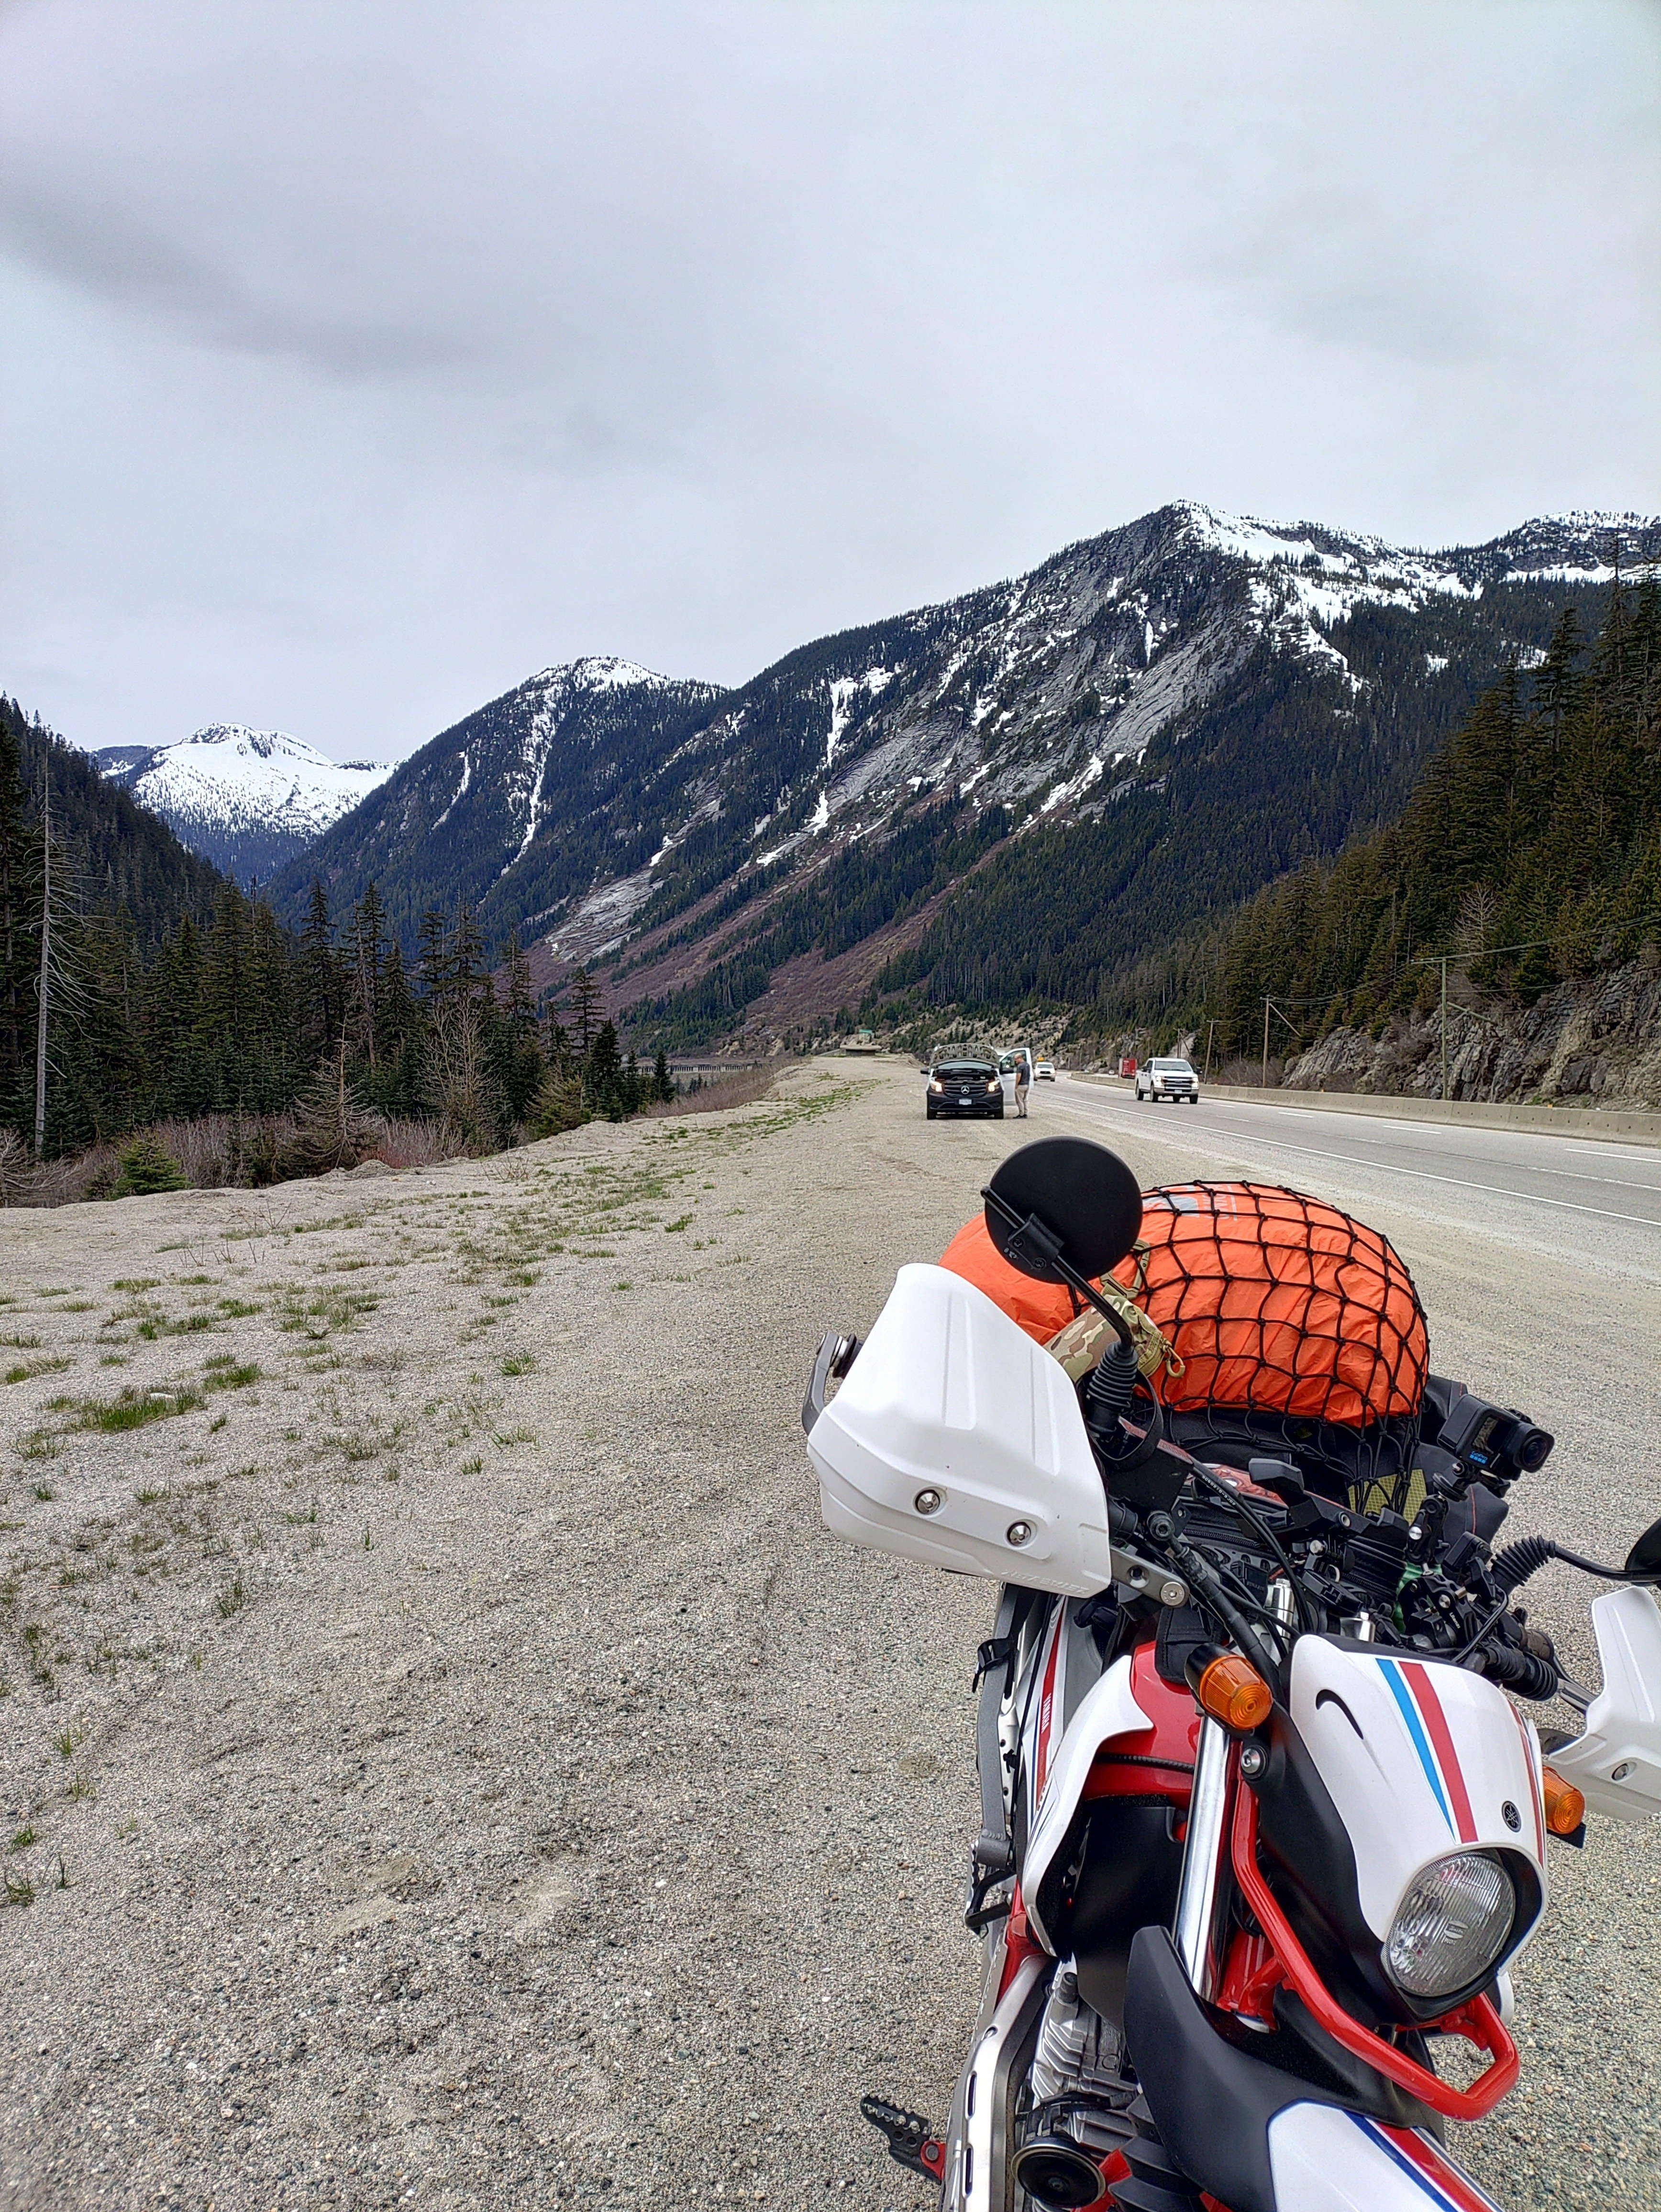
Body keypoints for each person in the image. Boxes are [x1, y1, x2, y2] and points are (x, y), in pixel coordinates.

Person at [1013, 1049, 1031, 1118]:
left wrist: (1016, 1085)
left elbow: (1019, 1076)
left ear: (1020, 1058)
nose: (1016, 1061)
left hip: (1021, 1085)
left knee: (1019, 1100)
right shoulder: (1027, 1065)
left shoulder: (1020, 1066)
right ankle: (1026, 1113)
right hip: (1027, 1084)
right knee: (1025, 1100)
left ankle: (1021, 1114)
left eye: (1016, 1059)